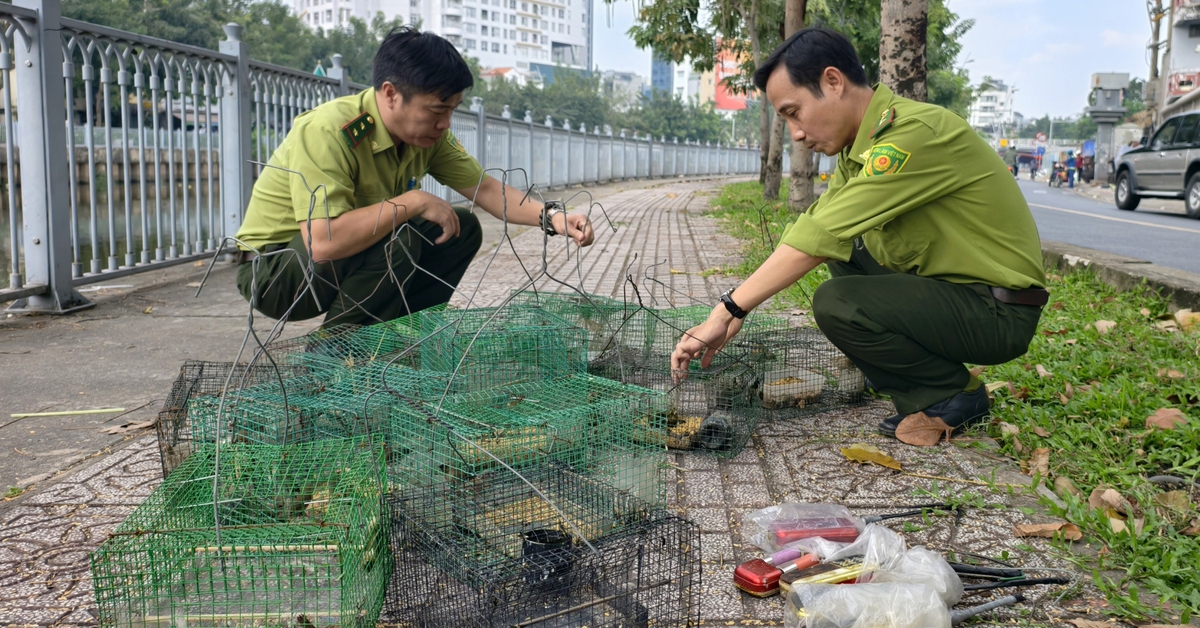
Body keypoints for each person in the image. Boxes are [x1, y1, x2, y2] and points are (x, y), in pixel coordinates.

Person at [670, 28, 1047, 443]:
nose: (796, 132)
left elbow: (820, 234)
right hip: (957, 295)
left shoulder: (910, 135)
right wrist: (737, 304)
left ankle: (952, 392)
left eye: (795, 112)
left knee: (837, 303)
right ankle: (910, 370)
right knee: (843, 253)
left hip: (996, 313)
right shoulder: (858, 151)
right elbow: (814, 228)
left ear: (833, 82)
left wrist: (727, 312)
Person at [234, 28, 594, 327]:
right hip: (276, 274)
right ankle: (336, 355)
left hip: (332, 261)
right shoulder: (329, 130)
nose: (445, 123)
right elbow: (323, 242)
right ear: (391, 94)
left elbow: (485, 188)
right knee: (403, 234)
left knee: (462, 227)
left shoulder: (426, 138)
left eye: (452, 111)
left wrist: (554, 219)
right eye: (437, 110)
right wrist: (413, 201)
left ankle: (402, 335)